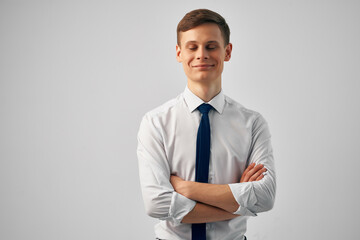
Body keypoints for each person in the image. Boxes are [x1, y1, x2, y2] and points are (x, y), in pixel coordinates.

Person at [137, 9, 276, 240]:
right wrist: (237, 204)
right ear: (179, 53)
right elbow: (156, 204)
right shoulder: (155, 123)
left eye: (211, 46)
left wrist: (185, 188)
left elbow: (265, 197)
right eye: (192, 47)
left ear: (227, 51)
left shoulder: (253, 124)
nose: (202, 54)